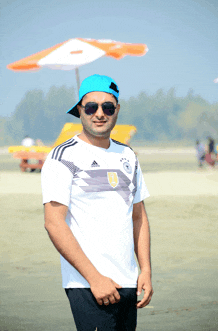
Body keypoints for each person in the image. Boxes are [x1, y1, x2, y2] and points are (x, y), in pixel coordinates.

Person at [41, 74, 153, 331]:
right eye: (91, 107)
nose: (99, 113)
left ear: (117, 110)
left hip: (128, 282)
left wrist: (145, 270)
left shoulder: (128, 155)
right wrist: (94, 278)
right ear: (80, 110)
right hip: (88, 285)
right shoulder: (63, 157)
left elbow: (138, 216)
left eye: (108, 107)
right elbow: (53, 223)